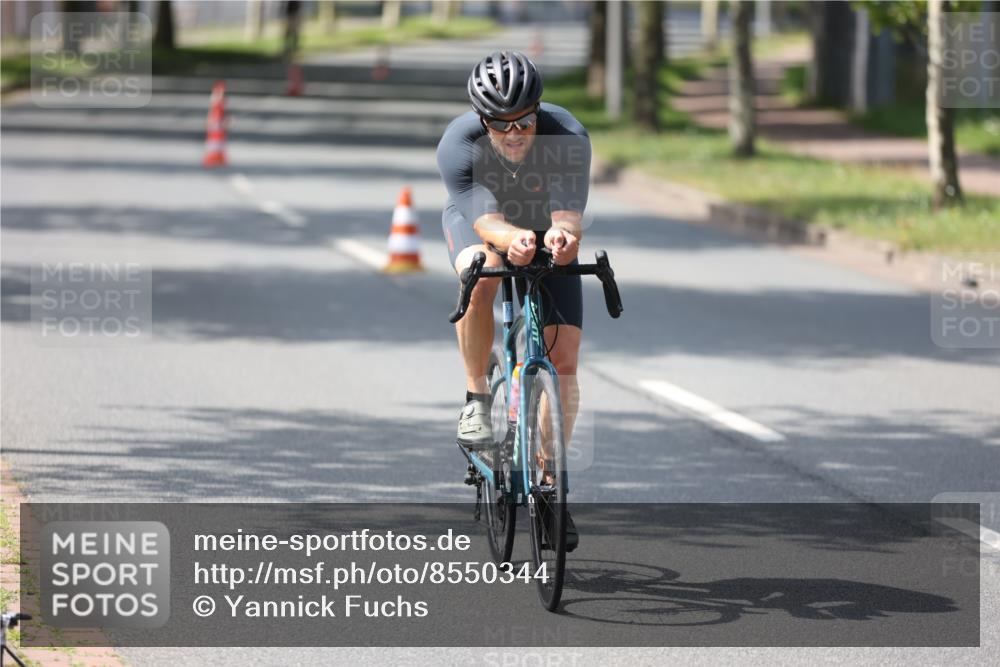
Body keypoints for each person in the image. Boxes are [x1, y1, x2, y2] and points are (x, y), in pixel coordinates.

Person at [436, 51, 591, 547]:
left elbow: (567, 214)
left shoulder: (566, 136)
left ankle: (548, 487)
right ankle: (478, 395)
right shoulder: (459, 143)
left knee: (563, 361)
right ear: (482, 120)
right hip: (482, 221)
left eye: (525, 120)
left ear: (539, 112)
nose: (515, 132)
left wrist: (563, 238)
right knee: (484, 273)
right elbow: (483, 220)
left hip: (542, 221)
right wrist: (512, 240)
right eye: (500, 124)